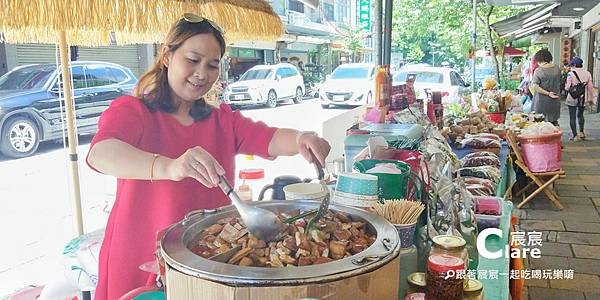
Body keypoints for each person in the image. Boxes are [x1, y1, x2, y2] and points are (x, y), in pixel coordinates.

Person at [86, 14, 331, 299]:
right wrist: (171, 166)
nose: (202, 73)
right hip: (140, 260)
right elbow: (101, 152)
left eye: (212, 65)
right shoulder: (134, 111)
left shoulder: (221, 120)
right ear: (167, 56)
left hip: (207, 262)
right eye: (192, 60)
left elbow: (270, 138)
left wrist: (303, 139)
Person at [564, 57, 595, 141]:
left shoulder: (570, 74)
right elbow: (590, 88)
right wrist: (591, 99)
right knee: (580, 115)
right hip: (582, 98)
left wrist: (567, 87)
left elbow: (567, 88)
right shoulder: (588, 73)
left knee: (572, 117)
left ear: (574, 65)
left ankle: (575, 135)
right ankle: (581, 133)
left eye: (571, 65)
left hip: (572, 97)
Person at [530, 49, 561, 125]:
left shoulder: (539, 70)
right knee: (553, 122)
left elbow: (535, 86)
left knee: (540, 123)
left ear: (539, 60)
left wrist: (547, 93)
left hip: (541, 101)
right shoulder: (557, 68)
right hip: (555, 100)